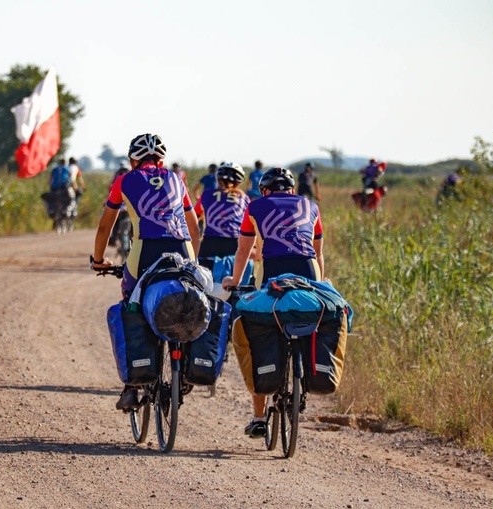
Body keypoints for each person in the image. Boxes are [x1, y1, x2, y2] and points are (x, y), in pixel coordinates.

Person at [92, 133, 200, 411]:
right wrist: (194, 262)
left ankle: (131, 386)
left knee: (132, 303)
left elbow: (106, 225)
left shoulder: (125, 180)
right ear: (161, 160)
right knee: (190, 297)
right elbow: (193, 225)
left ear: (132, 160)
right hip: (183, 250)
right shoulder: (177, 180)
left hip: (145, 253)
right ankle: (187, 367)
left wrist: (99, 259)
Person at [221, 167, 324, 438]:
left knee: (258, 333)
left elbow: (244, 250)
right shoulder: (310, 205)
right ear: (292, 190)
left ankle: (258, 416)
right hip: (309, 275)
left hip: (271, 275)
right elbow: (318, 252)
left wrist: (234, 280)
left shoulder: (255, 207)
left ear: (264, 190)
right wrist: (319, 285)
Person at [194, 162, 249, 259]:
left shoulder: (207, 194)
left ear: (218, 178)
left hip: (210, 243)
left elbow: (194, 218)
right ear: (239, 182)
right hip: (236, 243)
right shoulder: (244, 198)